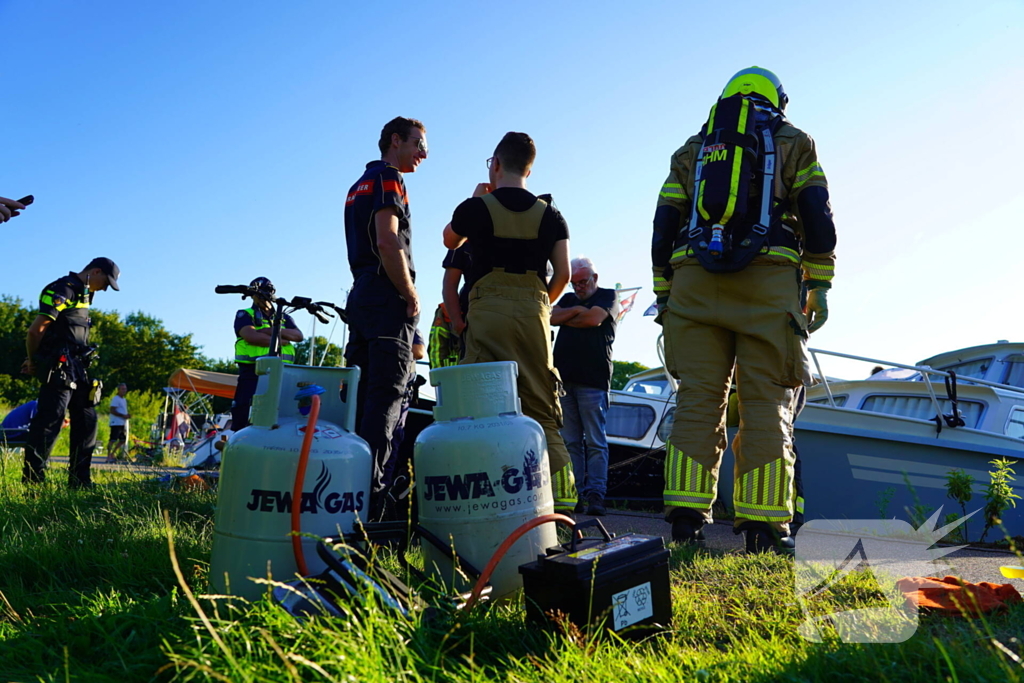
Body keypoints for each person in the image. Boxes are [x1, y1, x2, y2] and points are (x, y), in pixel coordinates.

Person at [652, 67, 836, 553]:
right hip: (767, 283)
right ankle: (762, 530)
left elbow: (665, 222)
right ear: (777, 99)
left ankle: (686, 524)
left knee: (697, 402)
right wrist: (819, 284)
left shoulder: (692, 149)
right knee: (766, 404)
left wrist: (665, 293)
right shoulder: (794, 140)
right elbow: (817, 219)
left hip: (693, 282)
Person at [442, 131, 575, 512]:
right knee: (541, 406)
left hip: (487, 309)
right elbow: (563, 274)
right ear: (530, 169)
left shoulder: (477, 208)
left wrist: (475, 199)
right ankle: (563, 504)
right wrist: (540, 306)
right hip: (535, 310)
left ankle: (489, 500)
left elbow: (449, 241)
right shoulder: (552, 214)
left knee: (481, 403)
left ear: (495, 164)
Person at [344, 116, 428, 521]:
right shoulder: (390, 179)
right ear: (395, 141)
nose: (423, 154)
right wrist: (410, 294)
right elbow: (387, 238)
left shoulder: (357, 184)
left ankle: (343, 501)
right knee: (386, 402)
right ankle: (370, 514)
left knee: (359, 400)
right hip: (385, 296)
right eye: (418, 144)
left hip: (360, 295)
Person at [20, 257, 121, 487]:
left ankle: (80, 481)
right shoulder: (62, 289)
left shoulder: (85, 293)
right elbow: (36, 331)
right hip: (58, 366)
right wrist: (32, 359)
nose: (105, 288)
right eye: (106, 282)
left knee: (88, 422)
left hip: (79, 367)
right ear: (95, 271)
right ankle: (33, 484)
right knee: (50, 422)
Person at [551, 256, 619, 516]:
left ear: (595, 278)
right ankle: (575, 495)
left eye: (582, 282)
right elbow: (549, 316)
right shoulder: (569, 300)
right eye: (574, 283)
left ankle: (596, 496)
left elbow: (593, 320)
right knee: (570, 442)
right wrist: (579, 311)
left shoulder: (608, 296)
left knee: (595, 442)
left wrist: (572, 316)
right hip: (564, 381)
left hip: (593, 381)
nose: (578, 287)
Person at [232, 277, 304, 430]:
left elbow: (298, 336)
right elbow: (251, 336)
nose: (262, 296)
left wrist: (269, 331)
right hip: (253, 370)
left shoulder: (283, 316)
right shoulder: (245, 314)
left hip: (282, 371)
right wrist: (281, 339)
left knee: (281, 407)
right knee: (246, 406)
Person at [105, 383, 131, 463]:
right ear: (118, 390)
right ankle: (108, 456)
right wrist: (122, 415)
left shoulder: (123, 400)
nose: (124, 391)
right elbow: (112, 410)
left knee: (122, 440)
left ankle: (112, 454)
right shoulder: (116, 399)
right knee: (113, 439)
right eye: (122, 389)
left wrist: (127, 415)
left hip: (122, 423)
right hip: (116, 422)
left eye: (125, 389)